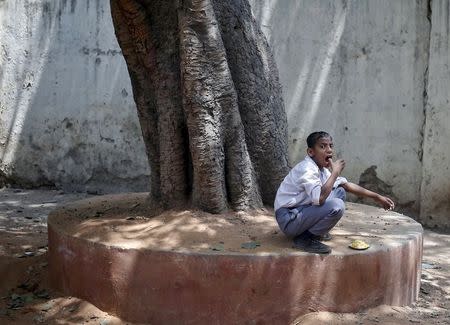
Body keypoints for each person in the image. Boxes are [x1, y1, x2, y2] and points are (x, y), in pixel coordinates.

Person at [274, 131, 395, 254]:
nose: (329, 150)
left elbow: (346, 186)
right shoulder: (307, 168)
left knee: (340, 191)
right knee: (337, 206)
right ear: (311, 152)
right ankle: (305, 239)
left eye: (331, 146)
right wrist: (335, 172)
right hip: (289, 219)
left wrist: (377, 197)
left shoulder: (321, 169)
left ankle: (315, 231)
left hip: (300, 212)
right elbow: (320, 198)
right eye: (322, 146)